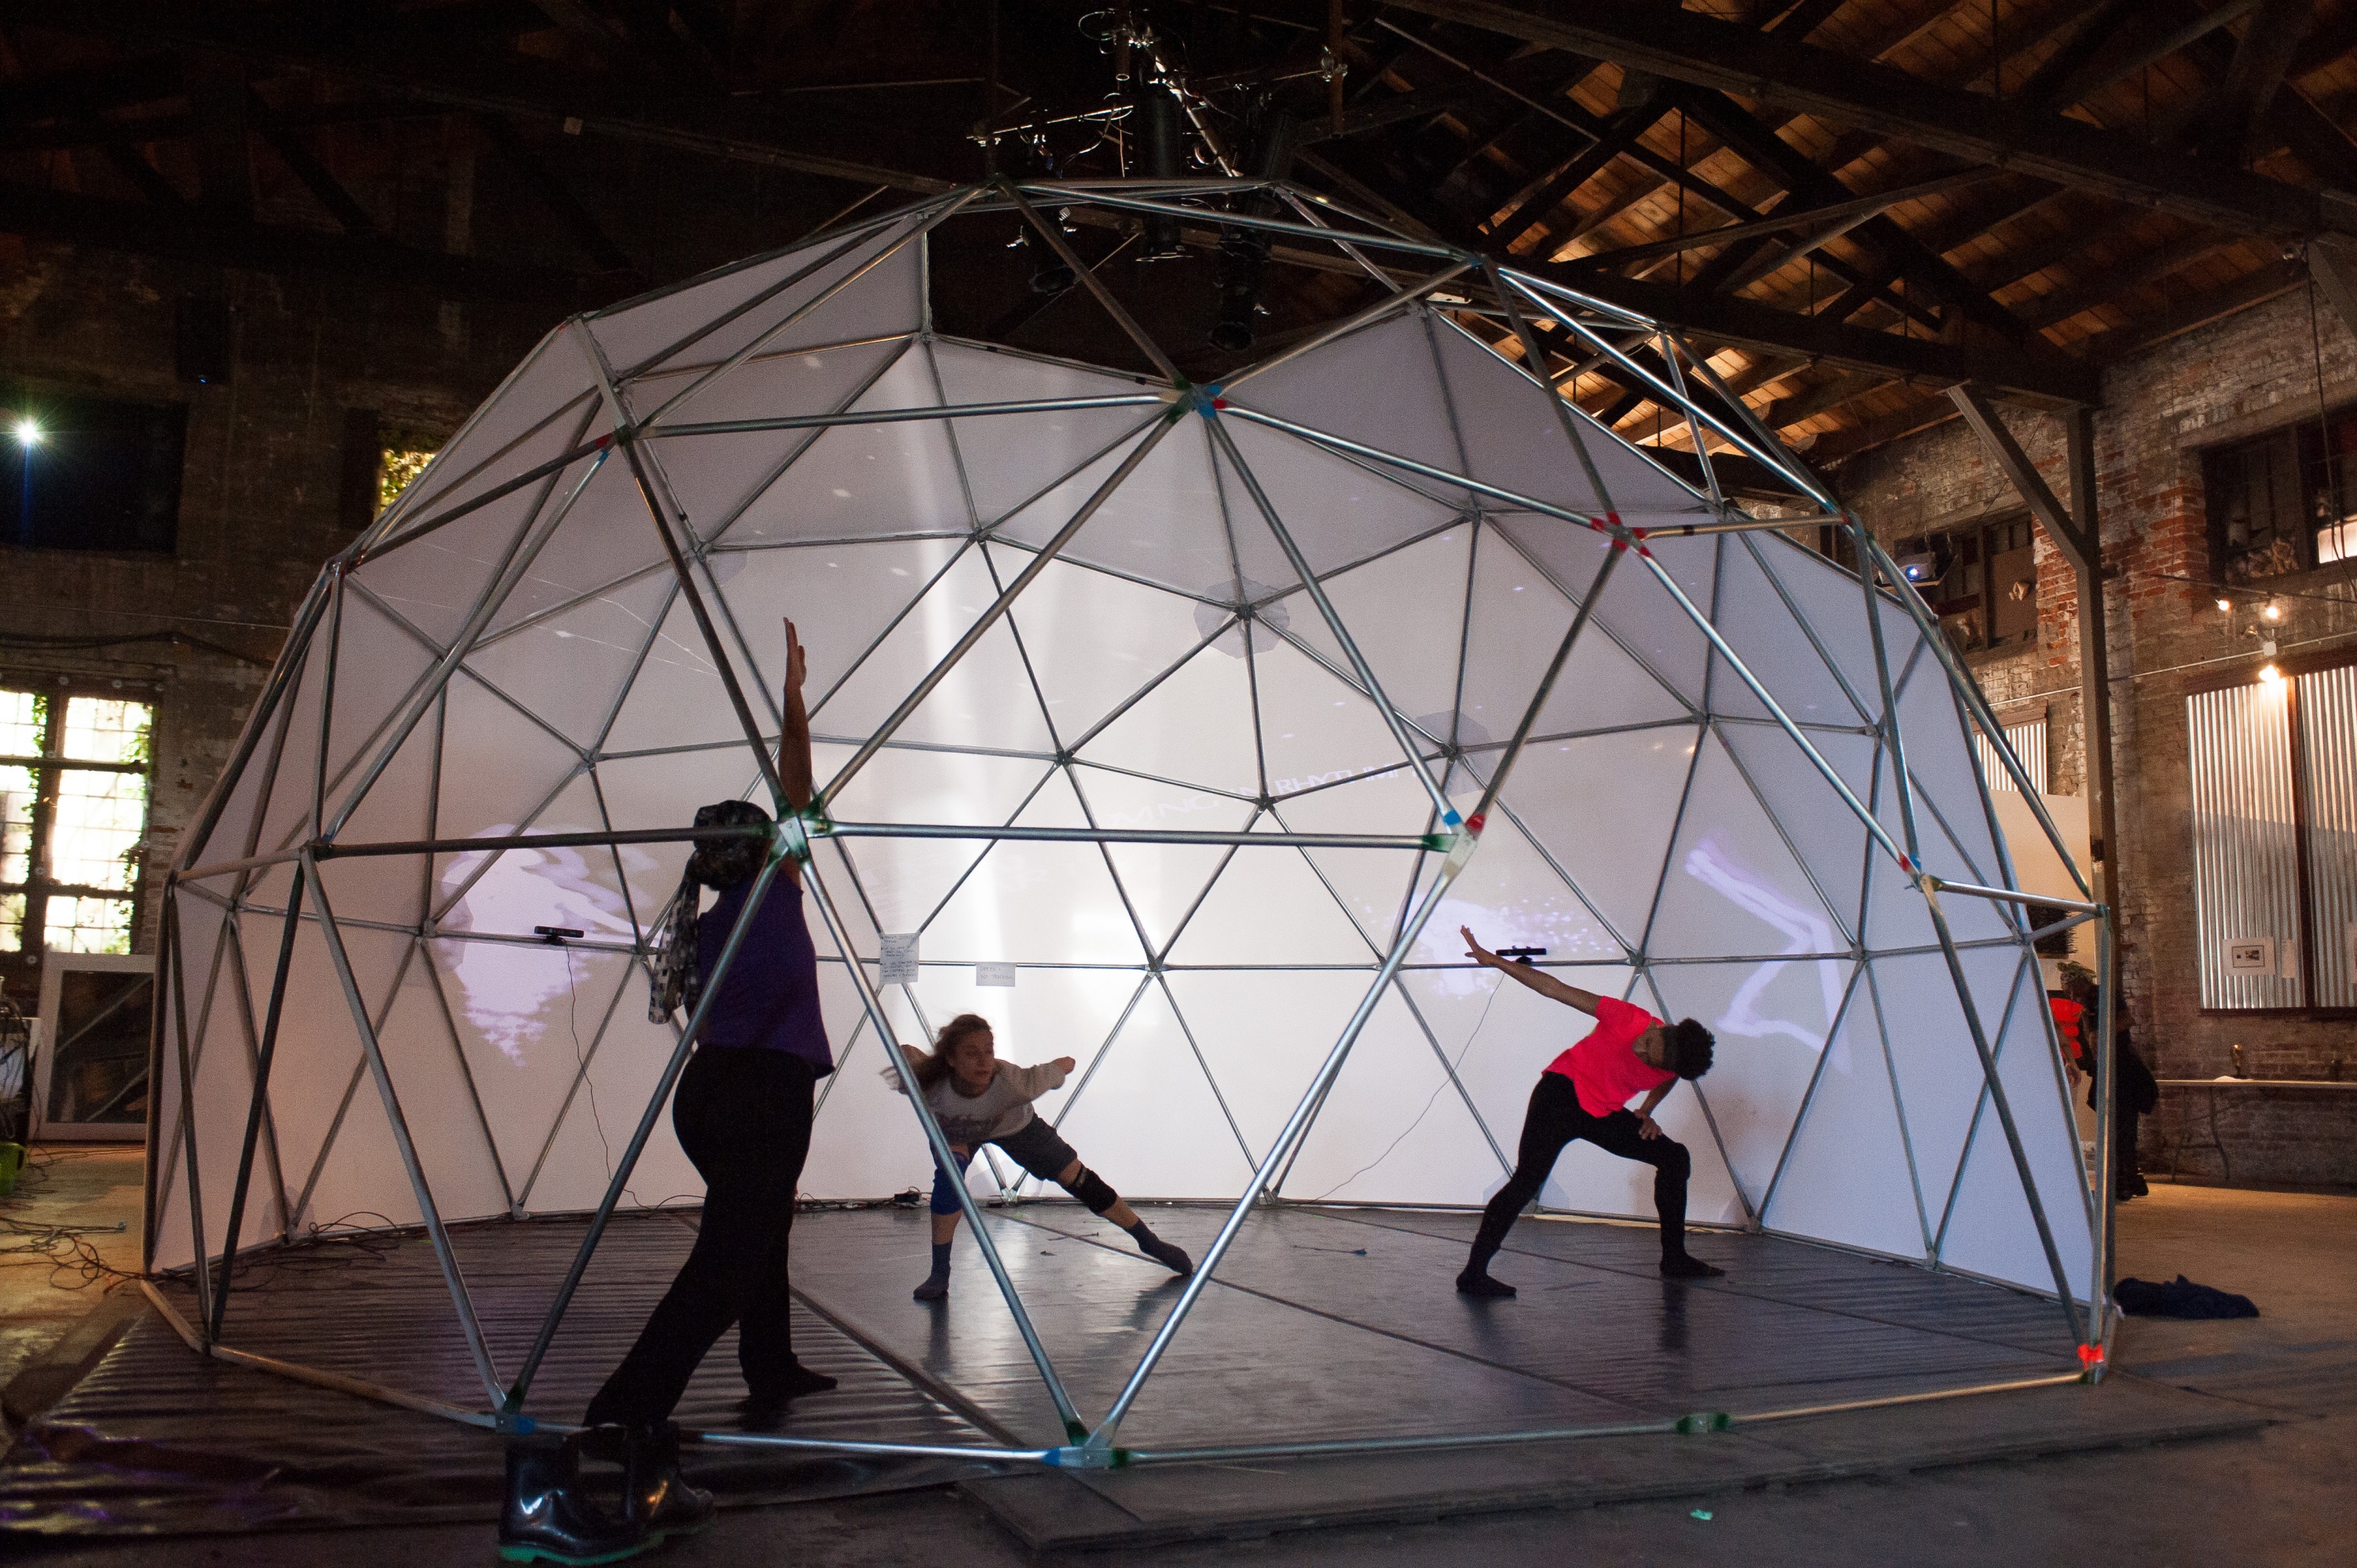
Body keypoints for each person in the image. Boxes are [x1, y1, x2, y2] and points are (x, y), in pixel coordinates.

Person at [500, 620, 834, 1567]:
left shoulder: (713, 915)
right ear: (761, 851)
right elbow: (798, 787)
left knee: (755, 1232)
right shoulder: (771, 893)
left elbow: (786, 805)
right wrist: (794, 702)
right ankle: (626, 1412)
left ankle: (764, 1362)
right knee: (729, 1258)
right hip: (763, 1096)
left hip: (715, 1097)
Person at [1454, 927, 1722, 1296]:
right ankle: (1473, 1274)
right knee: (1526, 1182)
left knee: (1674, 1158)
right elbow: (1553, 988)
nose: (1642, 1053)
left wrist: (1646, 1111)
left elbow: (1669, 1077)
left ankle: (1674, 1257)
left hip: (1602, 1113)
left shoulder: (1671, 1061)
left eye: (1653, 1059)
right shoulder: (1627, 1018)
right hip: (1561, 1096)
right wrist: (1494, 961)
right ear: (1661, 1030)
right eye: (1647, 1045)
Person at [889, 1014, 1192, 1299]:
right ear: (951, 1060)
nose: (984, 1061)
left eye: (988, 1051)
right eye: (971, 1054)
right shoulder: (929, 1084)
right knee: (949, 1180)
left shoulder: (1013, 1082)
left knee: (1078, 1179)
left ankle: (1149, 1241)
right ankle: (940, 1272)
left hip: (1016, 1127)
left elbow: (1059, 1067)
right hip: (958, 1133)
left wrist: (1063, 1067)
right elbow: (908, 1054)